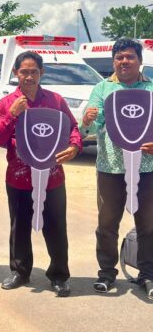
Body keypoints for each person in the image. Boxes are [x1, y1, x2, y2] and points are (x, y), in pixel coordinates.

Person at [0, 51, 81, 297]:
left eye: (34, 71)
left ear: (42, 73)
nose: (29, 76)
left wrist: (74, 146)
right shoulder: (6, 103)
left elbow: (72, 127)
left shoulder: (55, 100)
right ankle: (20, 272)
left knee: (56, 227)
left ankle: (59, 275)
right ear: (16, 73)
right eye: (24, 71)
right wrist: (12, 114)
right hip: (19, 177)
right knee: (19, 226)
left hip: (52, 177)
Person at [82, 37, 153, 299]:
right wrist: (87, 120)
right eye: (119, 57)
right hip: (110, 167)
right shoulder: (102, 89)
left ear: (140, 61)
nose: (124, 61)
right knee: (107, 224)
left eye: (130, 57)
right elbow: (92, 123)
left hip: (147, 168)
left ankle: (148, 275)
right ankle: (106, 273)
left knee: (148, 225)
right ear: (113, 62)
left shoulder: (151, 88)